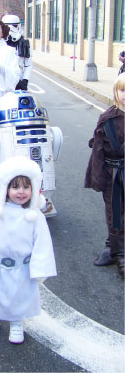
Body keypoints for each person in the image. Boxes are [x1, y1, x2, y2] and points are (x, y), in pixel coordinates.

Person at [0, 156, 57, 343]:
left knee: (18, 295)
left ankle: (16, 322)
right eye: (15, 187)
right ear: (5, 188)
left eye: (26, 187)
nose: (21, 192)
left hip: (22, 267)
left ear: (33, 189)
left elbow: (42, 244)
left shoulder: (35, 216)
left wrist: (40, 268)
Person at [85, 73, 125, 279]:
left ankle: (114, 247)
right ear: (116, 92)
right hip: (114, 175)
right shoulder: (108, 117)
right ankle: (119, 252)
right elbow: (98, 148)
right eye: (122, 90)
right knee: (114, 214)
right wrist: (97, 176)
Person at [1, 14, 33, 91]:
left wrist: (25, 80)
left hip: (18, 80)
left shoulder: (24, 43)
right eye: (7, 26)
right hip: (2, 80)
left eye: (14, 26)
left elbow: (28, 64)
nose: (11, 29)